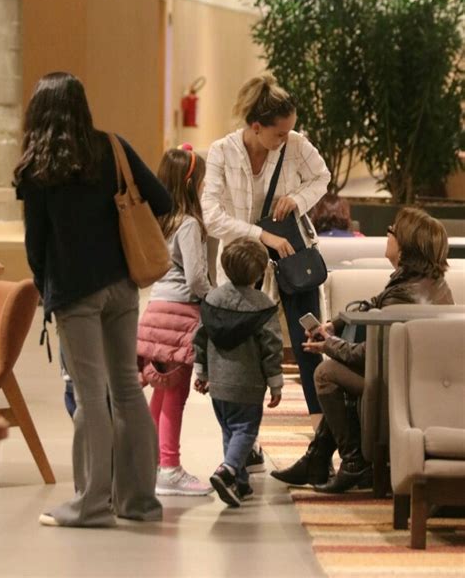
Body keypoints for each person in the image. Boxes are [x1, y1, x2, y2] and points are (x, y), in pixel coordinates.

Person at [14, 72, 172, 527]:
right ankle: (140, 502)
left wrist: (50, 293)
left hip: (74, 292)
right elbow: (160, 199)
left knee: (89, 397)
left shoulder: (38, 166)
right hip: (122, 286)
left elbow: (35, 243)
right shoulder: (111, 146)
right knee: (126, 388)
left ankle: (90, 504)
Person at [271, 207, 453, 493]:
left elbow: (369, 355)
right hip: (410, 378)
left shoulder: (405, 295)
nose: (387, 234)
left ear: (404, 246)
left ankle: (354, 462)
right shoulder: (424, 283)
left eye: (392, 230)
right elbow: (375, 302)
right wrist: (335, 325)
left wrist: (327, 345)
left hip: (401, 385)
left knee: (326, 373)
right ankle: (317, 459)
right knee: (337, 372)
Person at [202, 74, 330, 439]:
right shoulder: (222, 152)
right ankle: (243, 439)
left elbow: (321, 177)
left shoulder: (295, 144)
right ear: (256, 127)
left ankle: (322, 432)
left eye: (290, 131)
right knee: (242, 349)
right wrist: (262, 235)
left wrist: (298, 199)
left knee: (309, 342)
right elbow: (211, 216)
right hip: (245, 261)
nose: (285, 140)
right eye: (278, 134)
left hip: (293, 257)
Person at [137, 145, 212, 496]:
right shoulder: (189, 224)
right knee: (176, 394)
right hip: (182, 314)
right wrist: (215, 297)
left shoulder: (158, 221)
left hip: (156, 309)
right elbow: (196, 278)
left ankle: (150, 463)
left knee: (160, 392)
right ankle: (169, 467)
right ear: (190, 182)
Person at [193, 238, 284, 508]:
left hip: (218, 384)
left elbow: (200, 337)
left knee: (229, 431)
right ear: (258, 274)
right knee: (245, 430)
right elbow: (271, 348)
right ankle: (228, 469)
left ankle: (240, 483)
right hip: (248, 384)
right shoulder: (263, 306)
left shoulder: (212, 299)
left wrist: (202, 371)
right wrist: (276, 383)